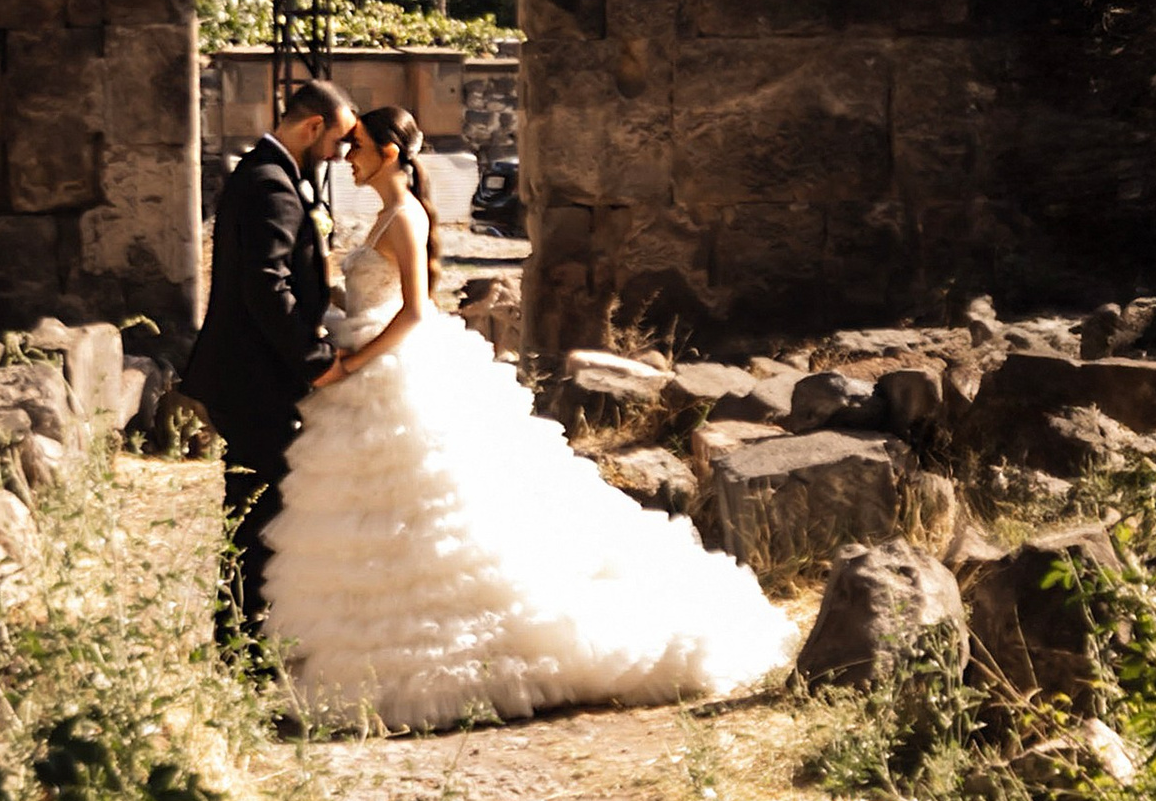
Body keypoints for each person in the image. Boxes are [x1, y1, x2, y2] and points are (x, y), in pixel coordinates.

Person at [262, 104, 794, 729]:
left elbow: (412, 314)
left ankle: (452, 657)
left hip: (389, 365)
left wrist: (352, 365)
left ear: (387, 152)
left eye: (355, 146)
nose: (345, 157)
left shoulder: (404, 217)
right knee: (371, 510)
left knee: (432, 504)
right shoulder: (385, 215)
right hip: (368, 362)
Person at [183, 77, 357, 636]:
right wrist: (315, 359)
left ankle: (245, 634)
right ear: (313, 127)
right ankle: (241, 641)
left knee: (257, 509)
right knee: (257, 514)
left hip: (250, 374)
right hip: (252, 379)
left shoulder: (268, 172)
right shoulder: (270, 183)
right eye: (337, 141)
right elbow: (266, 284)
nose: (339, 154)